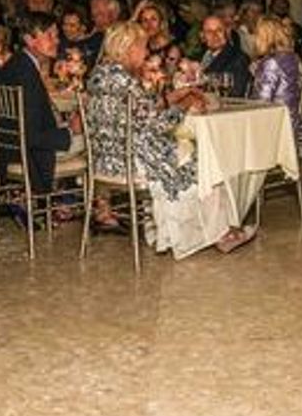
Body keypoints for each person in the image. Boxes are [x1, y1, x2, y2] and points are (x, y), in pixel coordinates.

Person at [83, 22, 240, 256]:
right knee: (202, 156)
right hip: (131, 161)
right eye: (143, 47)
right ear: (129, 48)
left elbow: (139, 115)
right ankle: (213, 233)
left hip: (103, 159)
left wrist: (172, 102)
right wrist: (184, 108)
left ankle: (162, 231)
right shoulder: (125, 83)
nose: (146, 53)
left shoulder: (98, 75)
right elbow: (156, 125)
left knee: (184, 145)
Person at [0, 12, 80, 193]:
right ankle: (85, 202)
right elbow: (32, 135)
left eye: (57, 35)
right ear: (29, 39)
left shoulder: (18, 63)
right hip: (30, 153)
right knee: (95, 139)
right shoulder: (26, 73)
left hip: (8, 146)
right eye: (50, 35)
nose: (57, 41)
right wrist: (70, 130)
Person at [250, 17, 301, 130]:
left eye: (257, 34)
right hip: (290, 116)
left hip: (274, 123)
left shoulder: (271, 63)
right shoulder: (291, 57)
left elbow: (262, 101)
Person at [199, 15, 250, 97]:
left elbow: (236, 94)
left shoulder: (238, 58)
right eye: (209, 32)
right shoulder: (201, 56)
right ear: (202, 36)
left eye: (219, 30)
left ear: (226, 32)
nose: (215, 35)